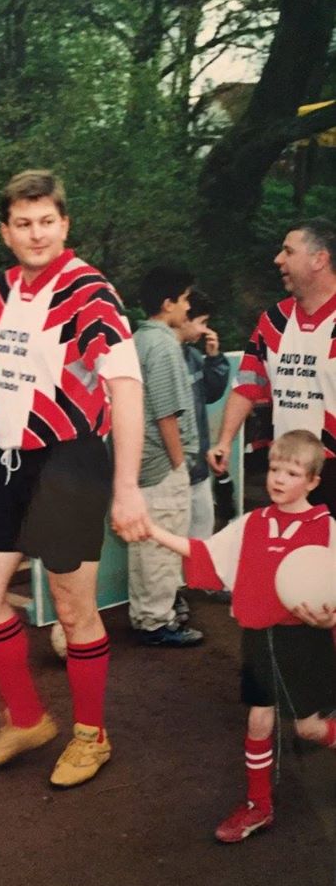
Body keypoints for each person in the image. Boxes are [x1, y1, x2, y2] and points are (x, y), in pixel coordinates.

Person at [0, 169, 148, 789]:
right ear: (6, 232)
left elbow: (126, 387)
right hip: (12, 460)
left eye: (47, 222)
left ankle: (92, 736)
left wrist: (126, 488)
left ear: (64, 225)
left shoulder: (89, 291)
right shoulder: (2, 289)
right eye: (23, 223)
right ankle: (27, 721)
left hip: (70, 460)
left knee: (72, 607)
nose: (36, 234)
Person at [147, 429, 335, 842]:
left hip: (306, 642)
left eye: (292, 473)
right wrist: (153, 531)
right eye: (274, 469)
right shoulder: (253, 523)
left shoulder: (326, 528)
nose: (279, 479)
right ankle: (258, 805)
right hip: (259, 638)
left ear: (313, 482)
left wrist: (329, 621)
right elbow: (206, 553)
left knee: (309, 729)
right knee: (258, 719)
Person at [209, 218, 336, 517]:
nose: (278, 259)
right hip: (286, 466)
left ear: (319, 259)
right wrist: (225, 441)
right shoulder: (274, 321)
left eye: (288, 252)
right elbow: (247, 385)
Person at [128, 266, 203, 646]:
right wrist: (178, 464)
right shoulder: (162, 345)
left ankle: (148, 616)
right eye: (185, 299)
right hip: (161, 464)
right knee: (161, 544)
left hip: (142, 462)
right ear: (168, 303)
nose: (188, 307)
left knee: (147, 544)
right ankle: (157, 623)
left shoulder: (138, 340)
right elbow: (166, 414)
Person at [172, 289, 231, 623]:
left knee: (202, 525)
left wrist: (214, 358)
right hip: (172, 465)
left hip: (198, 466)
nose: (205, 329)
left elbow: (211, 392)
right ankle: (173, 594)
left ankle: (206, 580)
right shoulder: (165, 356)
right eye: (202, 322)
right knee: (172, 534)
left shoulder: (193, 356)